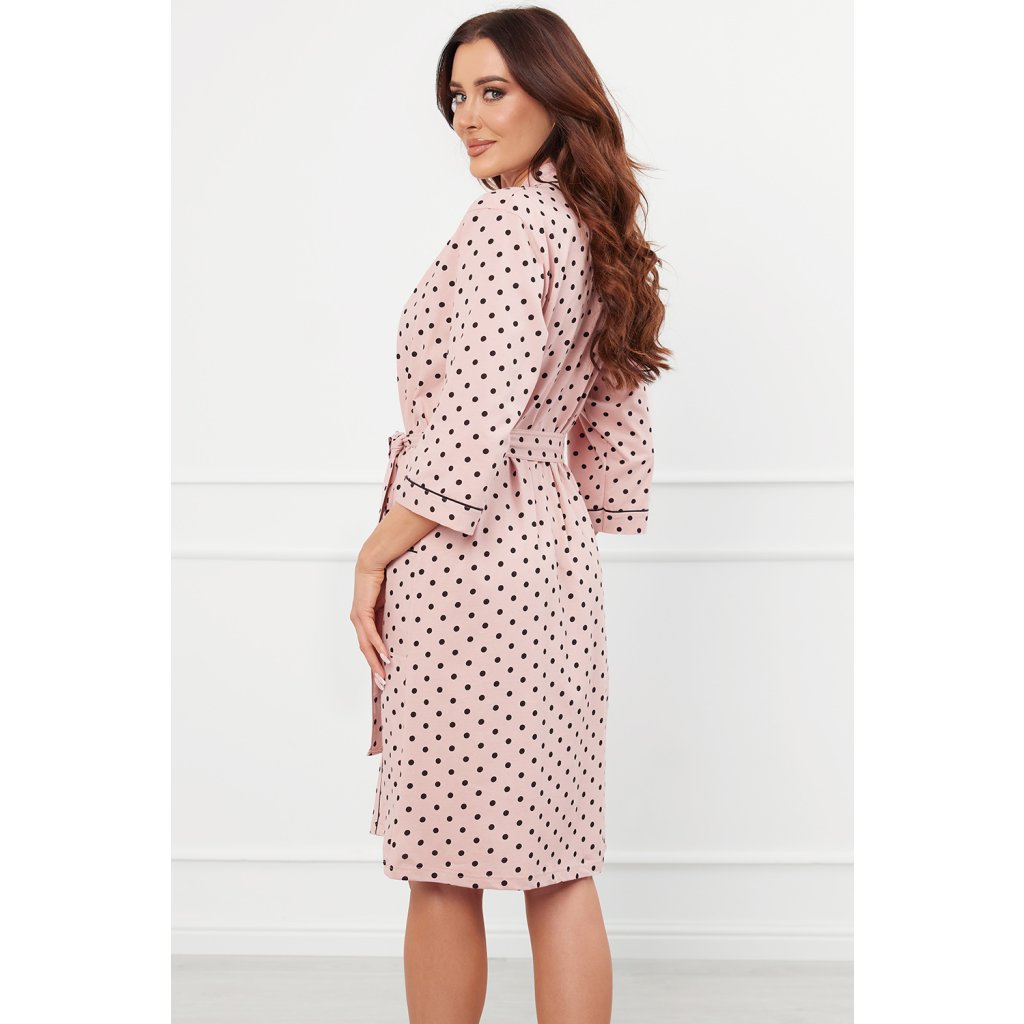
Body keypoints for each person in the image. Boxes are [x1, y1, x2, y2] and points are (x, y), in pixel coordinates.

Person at [350, 8, 672, 1022]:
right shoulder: (591, 231)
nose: (468, 118)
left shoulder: (505, 227)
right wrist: (577, 504)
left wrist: (374, 554)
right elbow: (611, 413)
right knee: (557, 861)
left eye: (493, 92)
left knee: (444, 864)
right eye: (457, 96)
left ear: (554, 96)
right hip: (554, 562)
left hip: (469, 564)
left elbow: (470, 422)